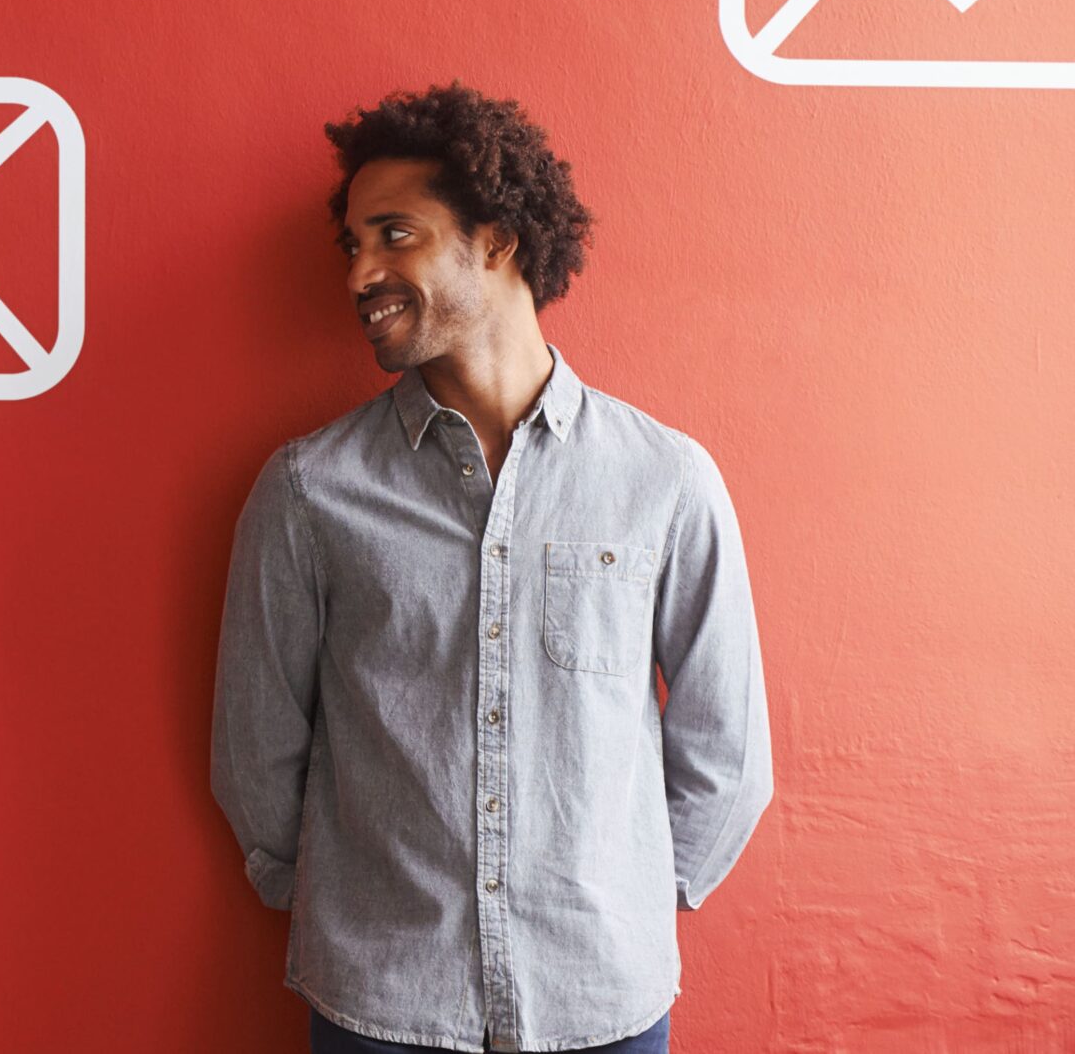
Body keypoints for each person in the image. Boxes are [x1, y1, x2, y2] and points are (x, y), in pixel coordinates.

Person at [209, 84, 772, 1053]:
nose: (360, 273)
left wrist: (629, 898)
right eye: (352, 244)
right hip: (381, 1004)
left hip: (602, 1002)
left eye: (395, 234)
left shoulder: (663, 479)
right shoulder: (309, 488)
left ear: (498, 240)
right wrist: (347, 905)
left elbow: (727, 745)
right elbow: (255, 746)